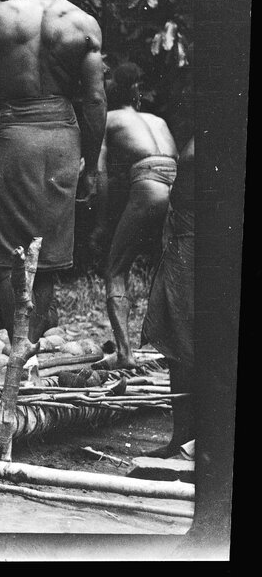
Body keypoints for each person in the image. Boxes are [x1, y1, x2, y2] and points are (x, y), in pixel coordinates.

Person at [0, 0, 106, 344]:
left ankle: (12, 347)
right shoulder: (83, 23)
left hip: (15, 135)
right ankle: (29, 352)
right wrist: (90, 165)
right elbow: (94, 100)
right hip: (61, 135)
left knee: (10, 252)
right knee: (48, 254)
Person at [90, 62, 178, 370]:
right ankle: (179, 350)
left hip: (149, 184)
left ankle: (125, 354)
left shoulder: (108, 119)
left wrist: (101, 224)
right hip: (176, 185)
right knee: (174, 268)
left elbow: (99, 174)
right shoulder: (158, 120)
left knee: (115, 269)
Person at [140, 137, 194, 457]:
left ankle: (191, 437)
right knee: (177, 342)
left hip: (198, 243)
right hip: (185, 240)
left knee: (189, 343)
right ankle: (183, 436)